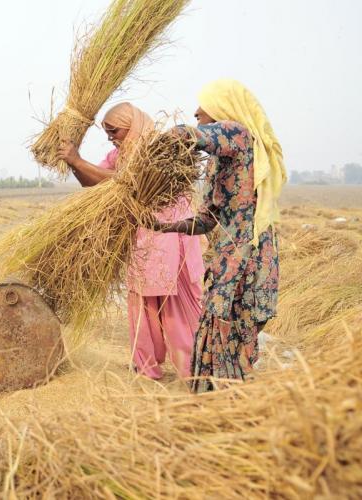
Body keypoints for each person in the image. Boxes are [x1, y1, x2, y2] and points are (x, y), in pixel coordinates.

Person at [153, 80, 284, 392]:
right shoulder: (219, 160)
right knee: (216, 330)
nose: (197, 111)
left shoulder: (238, 134)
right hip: (226, 258)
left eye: (204, 106)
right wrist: (166, 227)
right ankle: (215, 407)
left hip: (248, 257)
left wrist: (158, 145)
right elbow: (208, 219)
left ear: (223, 109)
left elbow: (190, 135)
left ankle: (233, 408)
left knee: (237, 334)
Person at [58, 102, 204, 380]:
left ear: (132, 125)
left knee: (173, 303)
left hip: (169, 233)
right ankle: (146, 365)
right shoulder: (119, 154)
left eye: (115, 131)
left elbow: (129, 181)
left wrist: (78, 160)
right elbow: (92, 182)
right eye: (108, 132)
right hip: (144, 238)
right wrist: (73, 162)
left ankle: (192, 367)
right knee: (142, 301)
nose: (111, 137)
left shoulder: (158, 150)